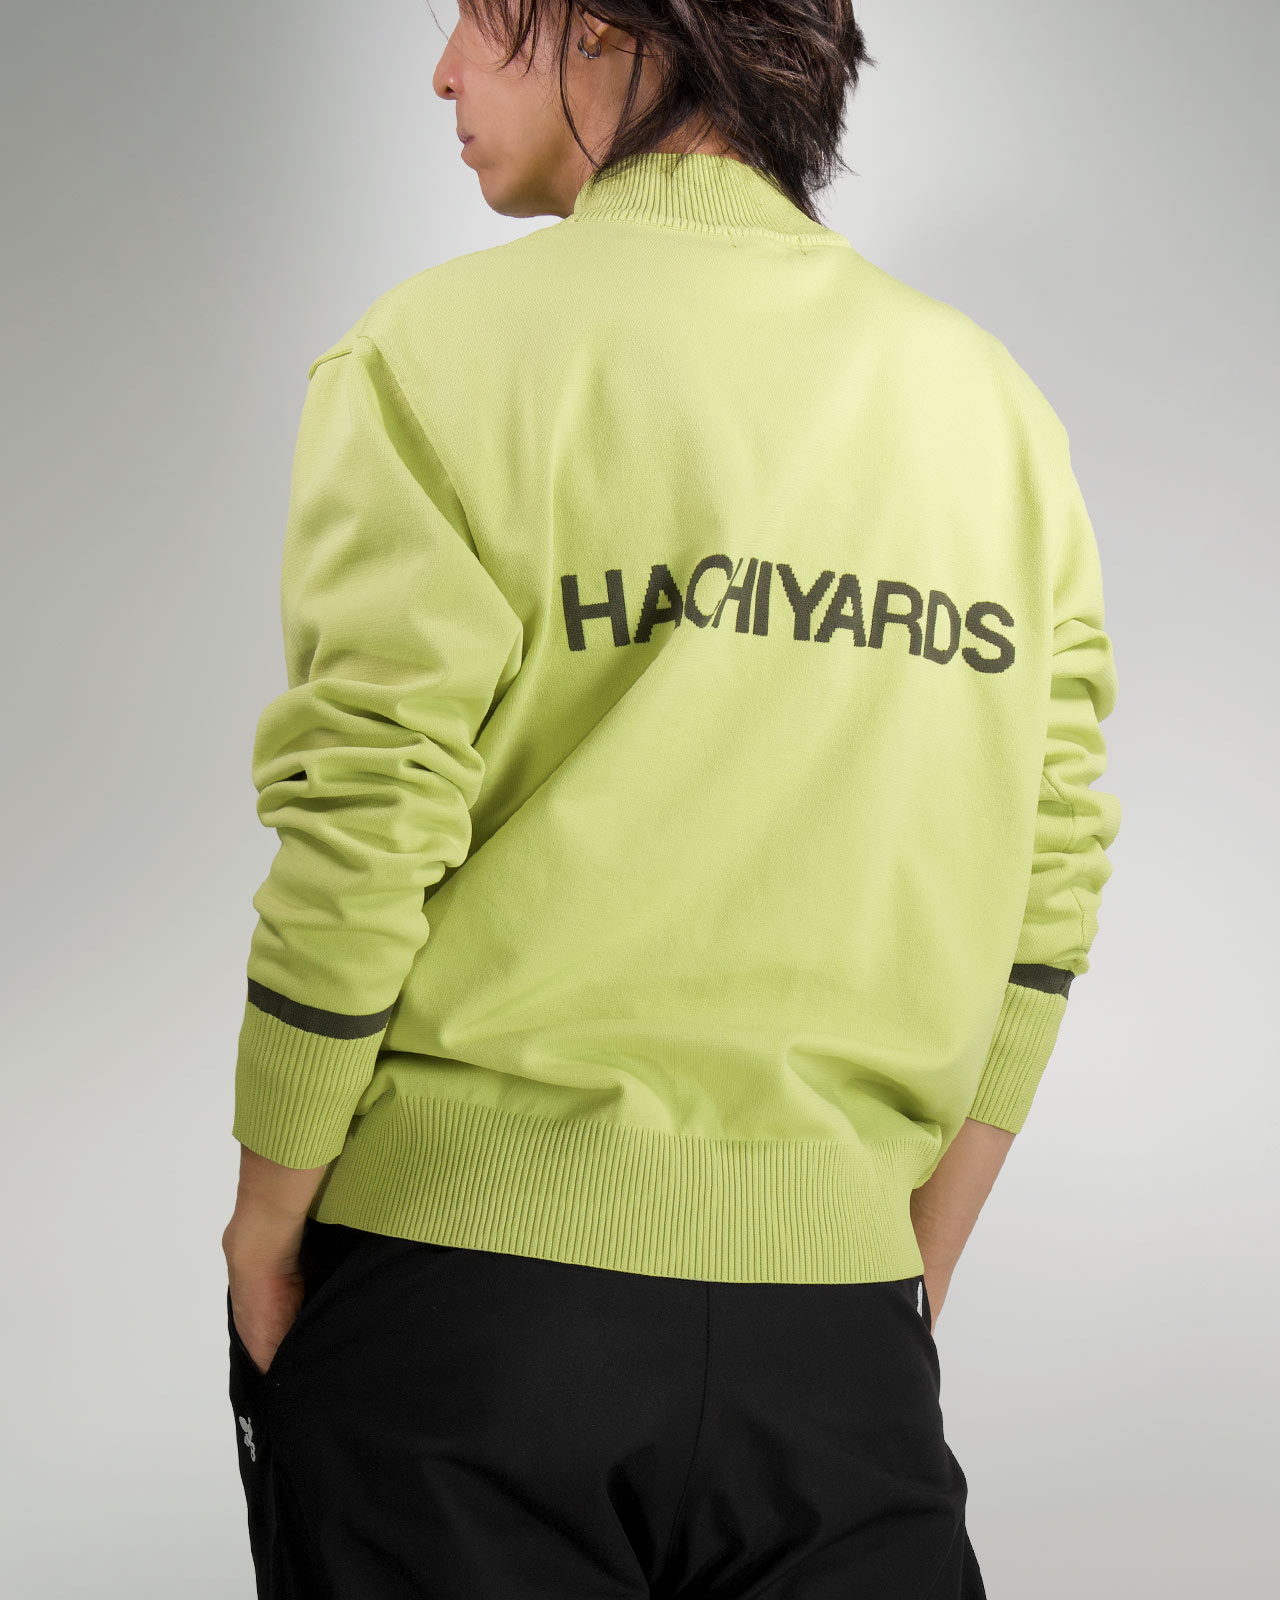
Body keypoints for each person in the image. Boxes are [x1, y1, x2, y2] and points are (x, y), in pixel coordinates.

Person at [222, 3, 1122, 1596]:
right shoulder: (994, 412)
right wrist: (895, 1265)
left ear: (602, 28)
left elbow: (367, 815)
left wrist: (265, 1221)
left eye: (474, 15)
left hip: (460, 1319)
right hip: (835, 1354)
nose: (441, 69)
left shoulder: (432, 353)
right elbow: (1051, 889)